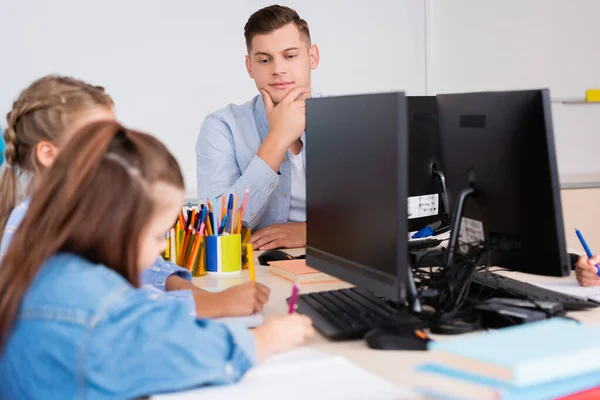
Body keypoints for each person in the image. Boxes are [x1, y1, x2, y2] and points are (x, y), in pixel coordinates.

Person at [0, 120, 314, 398]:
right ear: (113, 226)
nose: (161, 248)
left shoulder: (45, 268)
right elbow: (179, 352)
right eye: (157, 236)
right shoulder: (96, 300)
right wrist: (265, 339)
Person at [0, 75, 269, 317]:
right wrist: (213, 306)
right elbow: (113, 312)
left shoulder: (90, 213)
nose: (118, 154)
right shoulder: (38, 228)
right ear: (49, 154)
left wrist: (204, 296)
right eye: (100, 143)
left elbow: (146, 269)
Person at [196, 5, 319, 251]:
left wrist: (314, 231)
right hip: (255, 268)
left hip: (336, 258)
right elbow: (219, 228)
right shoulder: (221, 127)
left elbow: (383, 211)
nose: (278, 70)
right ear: (249, 66)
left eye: (290, 56)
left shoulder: (349, 116)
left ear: (313, 57)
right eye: (264, 60)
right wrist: (278, 138)